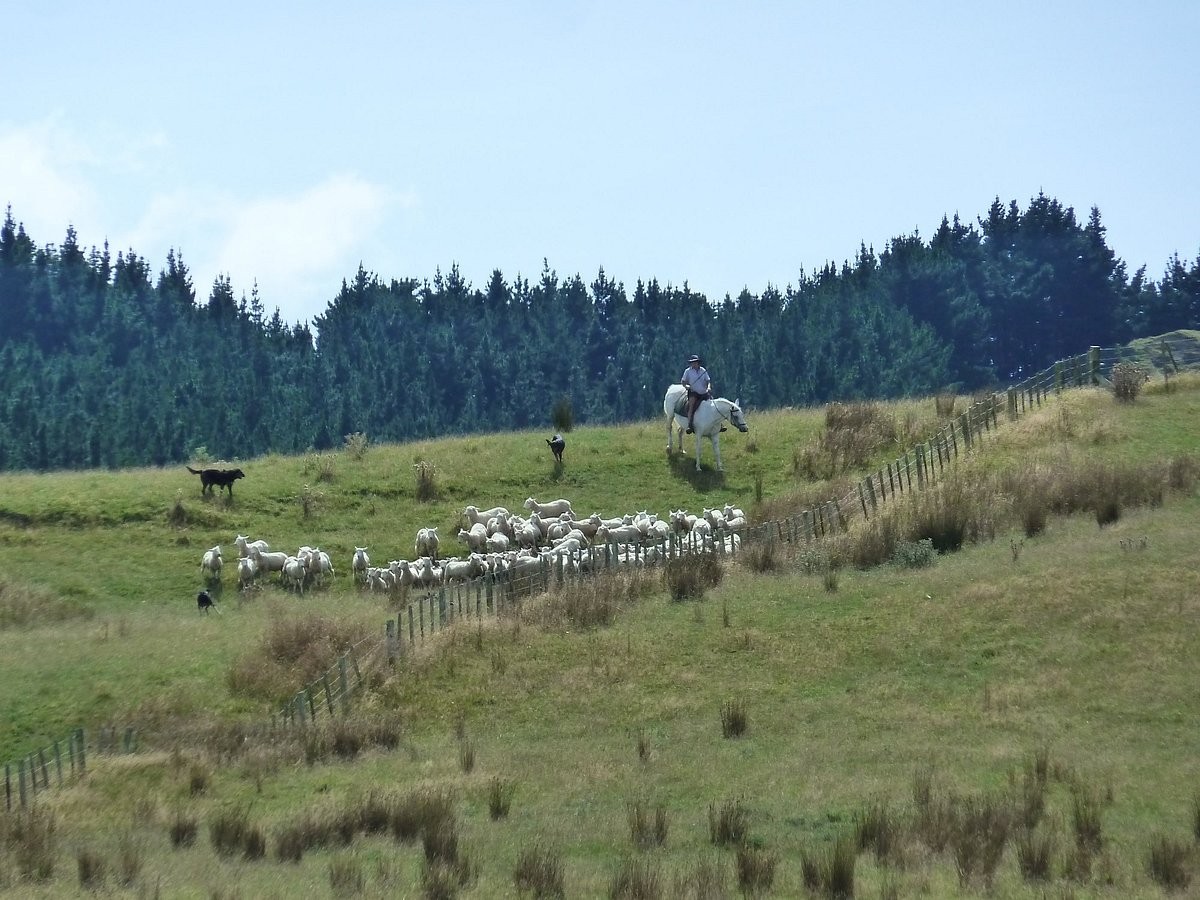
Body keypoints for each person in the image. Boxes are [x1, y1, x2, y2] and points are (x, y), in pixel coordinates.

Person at [681, 354, 712, 434]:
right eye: (692, 362)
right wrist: (686, 386)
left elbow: (708, 381)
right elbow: (683, 381)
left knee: (712, 405)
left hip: (704, 392)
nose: (694, 364)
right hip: (693, 392)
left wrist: (708, 387)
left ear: (698, 363)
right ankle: (690, 424)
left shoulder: (703, 370)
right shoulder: (687, 371)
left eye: (695, 362)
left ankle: (718, 424)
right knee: (691, 406)